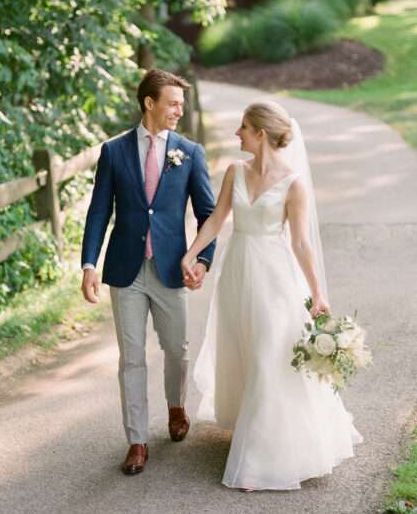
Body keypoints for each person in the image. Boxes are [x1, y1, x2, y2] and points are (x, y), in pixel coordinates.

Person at [181, 100, 362, 491]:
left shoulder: (293, 184)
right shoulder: (235, 171)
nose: (236, 133)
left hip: (274, 277)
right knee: (243, 350)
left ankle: (260, 461)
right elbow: (216, 218)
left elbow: (300, 243)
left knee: (268, 356)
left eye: (242, 127)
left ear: (260, 133)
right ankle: (251, 425)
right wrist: (192, 251)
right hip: (237, 271)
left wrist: (318, 293)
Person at [81, 69, 216, 475]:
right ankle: (136, 440)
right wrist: (89, 262)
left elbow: (207, 213)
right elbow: (99, 211)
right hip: (126, 270)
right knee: (132, 358)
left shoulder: (189, 152)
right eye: (173, 103)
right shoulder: (114, 151)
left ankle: (176, 406)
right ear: (150, 103)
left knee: (177, 350)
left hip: (172, 268)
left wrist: (203, 260)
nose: (179, 110)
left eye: (182, 103)